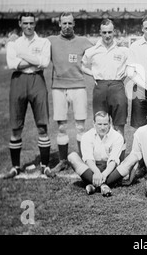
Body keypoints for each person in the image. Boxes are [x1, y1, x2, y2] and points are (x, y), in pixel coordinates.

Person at [4, 12, 54, 179]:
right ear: (20, 23)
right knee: (16, 126)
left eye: (31, 23)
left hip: (37, 81)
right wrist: (35, 59)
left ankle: (45, 166)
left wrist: (22, 55)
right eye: (25, 23)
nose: (28, 26)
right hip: (18, 81)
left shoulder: (43, 41)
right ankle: (15, 167)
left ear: (35, 23)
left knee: (42, 125)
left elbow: (45, 63)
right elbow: (12, 64)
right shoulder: (14, 43)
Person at [49, 12, 93, 173]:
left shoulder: (83, 41)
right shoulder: (51, 41)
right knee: (61, 127)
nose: (67, 26)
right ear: (59, 24)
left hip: (78, 87)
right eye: (64, 23)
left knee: (80, 126)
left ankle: (82, 160)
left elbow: (99, 51)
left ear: (74, 24)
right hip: (58, 88)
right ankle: (62, 161)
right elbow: (35, 44)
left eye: (70, 23)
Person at [81, 19, 129, 138]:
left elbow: (131, 66)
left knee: (119, 125)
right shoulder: (92, 51)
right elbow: (82, 66)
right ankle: (102, 156)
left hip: (117, 86)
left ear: (114, 32)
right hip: (100, 88)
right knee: (101, 125)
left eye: (109, 32)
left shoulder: (123, 50)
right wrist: (93, 74)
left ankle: (119, 157)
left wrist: (124, 75)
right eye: (104, 32)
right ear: (100, 32)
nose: (107, 35)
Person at [67, 111, 125, 196]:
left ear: (110, 123)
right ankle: (104, 186)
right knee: (72, 156)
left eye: (105, 124)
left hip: (109, 170)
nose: (102, 127)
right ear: (94, 123)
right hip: (92, 169)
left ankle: (93, 185)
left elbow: (113, 160)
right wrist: (96, 172)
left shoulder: (117, 137)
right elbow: (88, 159)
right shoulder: (87, 136)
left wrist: (104, 174)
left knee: (132, 159)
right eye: (99, 124)